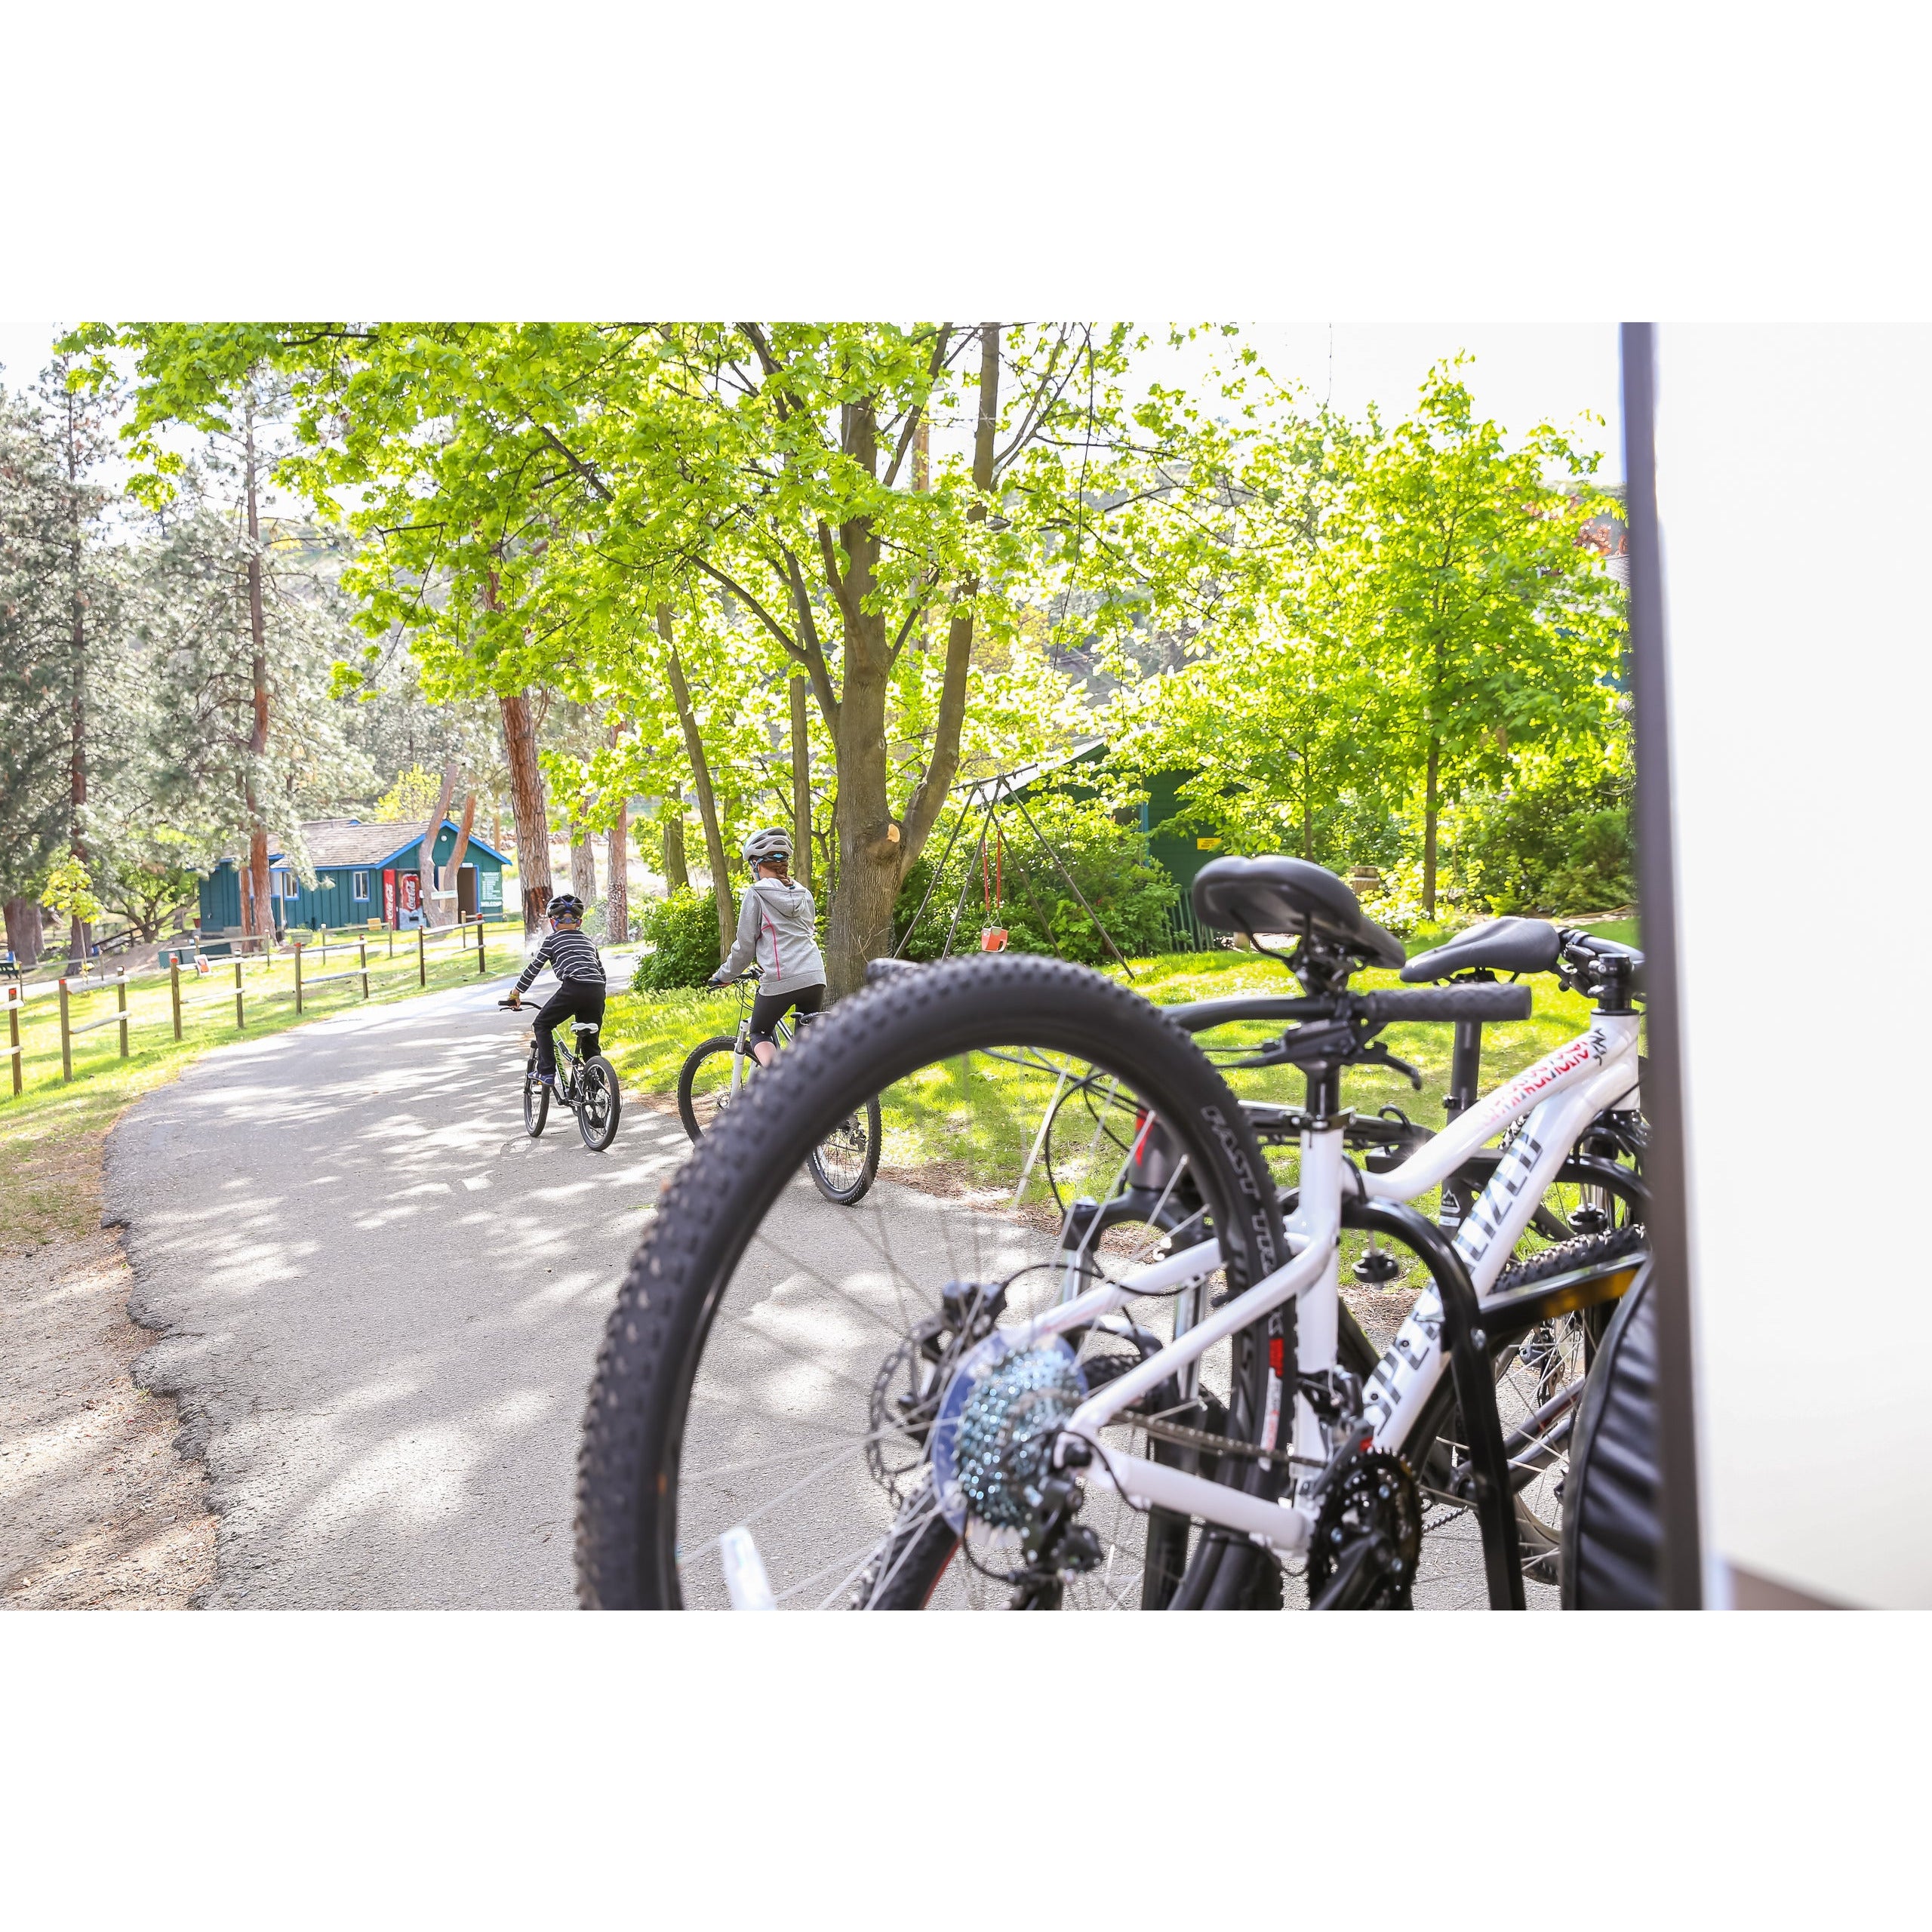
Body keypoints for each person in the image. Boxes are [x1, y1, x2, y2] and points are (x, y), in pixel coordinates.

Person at [710, 829, 824, 1066]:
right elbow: (806, 931)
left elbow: (744, 947)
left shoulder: (756, 894)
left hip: (782, 978)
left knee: (759, 1031)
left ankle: (778, 1086)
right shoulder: (805, 894)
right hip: (815, 976)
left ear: (756, 865)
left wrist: (724, 975)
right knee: (804, 1050)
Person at [505, 892, 605, 1086]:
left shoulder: (552, 940)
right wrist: (600, 999)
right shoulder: (588, 941)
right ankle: (598, 1092)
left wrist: (516, 993)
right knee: (591, 1045)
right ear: (580, 922)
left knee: (542, 1025)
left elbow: (533, 969)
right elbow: (601, 973)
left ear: (552, 922)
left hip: (573, 988)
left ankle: (546, 1072)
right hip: (597, 991)